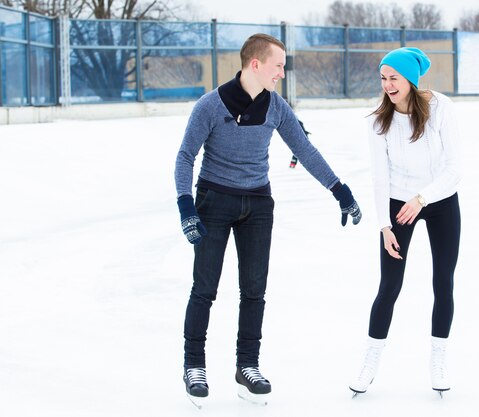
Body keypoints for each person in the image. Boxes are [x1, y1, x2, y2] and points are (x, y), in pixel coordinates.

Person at [174, 33, 362, 405]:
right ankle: (194, 365)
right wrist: (186, 207)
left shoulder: (276, 107)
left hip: (258, 205)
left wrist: (339, 190)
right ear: (256, 64)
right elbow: (185, 157)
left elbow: (303, 149)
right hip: (215, 200)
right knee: (205, 288)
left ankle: (248, 366)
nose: (282, 72)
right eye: (278, 65)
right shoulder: (210, 106)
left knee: (255, 290)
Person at [349, 47, 461, 397]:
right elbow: (380, 178)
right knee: (389, 286)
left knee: (443, 281)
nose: (387, 85)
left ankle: (438, 359)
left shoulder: (441, 108)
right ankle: (370, 360)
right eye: (383, 78)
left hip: (439, 201)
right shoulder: (378, 121)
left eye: (393, 78)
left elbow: (454, 168)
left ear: (410, 79)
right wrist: (384, 226)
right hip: (398, 205)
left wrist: (422, 198)